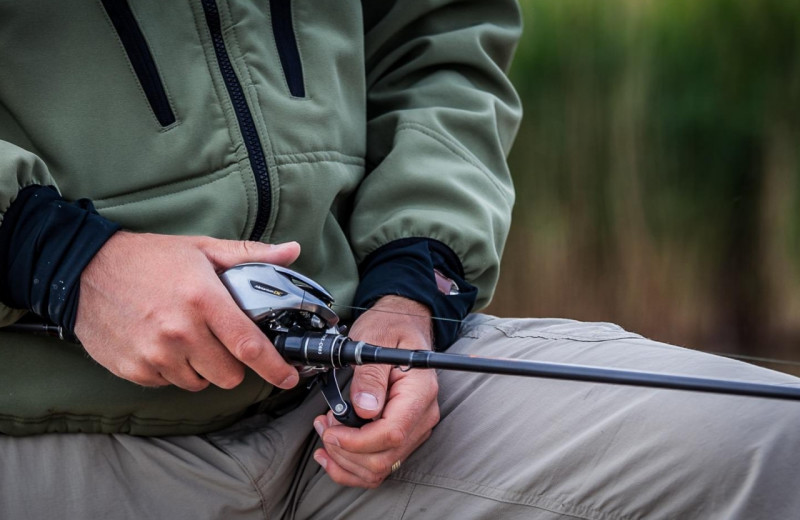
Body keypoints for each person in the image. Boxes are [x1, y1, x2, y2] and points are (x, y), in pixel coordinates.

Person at [0, 1, 798, 518]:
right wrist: (61, 260)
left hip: (349, 400)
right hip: (34, 441)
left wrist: (411, 295)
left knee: (775, 440)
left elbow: (440, 45)